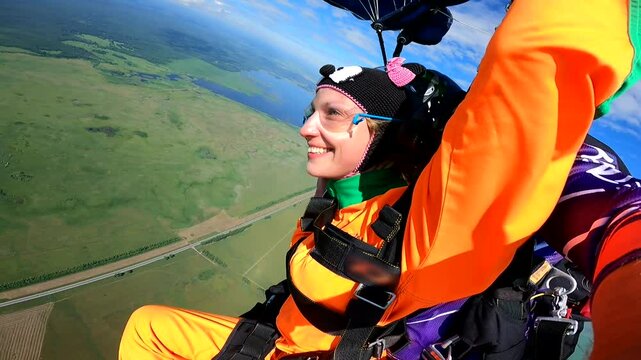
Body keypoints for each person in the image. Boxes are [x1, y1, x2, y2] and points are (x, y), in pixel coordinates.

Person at [119, 0, 641, 358]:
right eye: (312, 109)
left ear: (388, 137)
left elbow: (535, 76)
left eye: (333, 115)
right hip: (280, 340)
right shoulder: (342, 200)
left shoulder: (433, 226)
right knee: (147, 328)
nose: (306, 127)